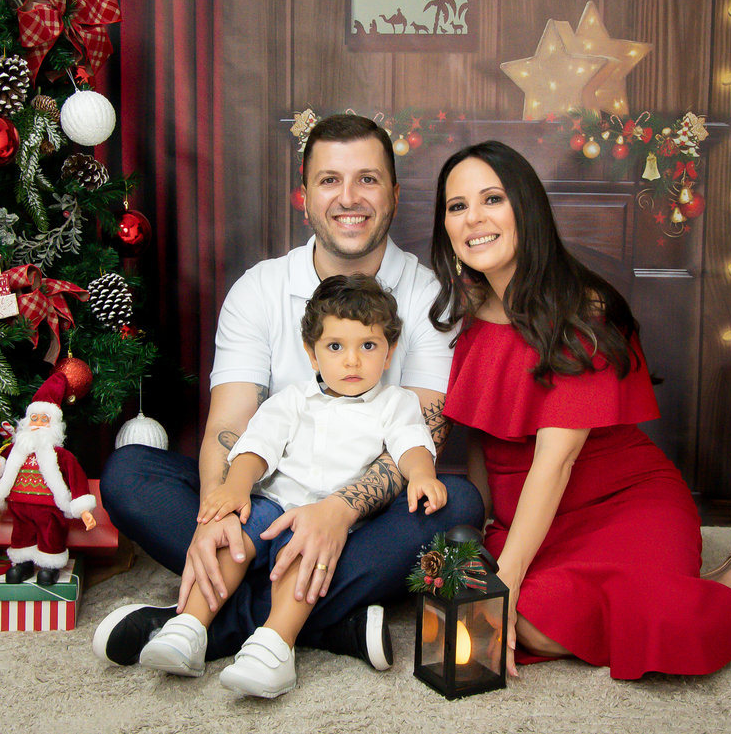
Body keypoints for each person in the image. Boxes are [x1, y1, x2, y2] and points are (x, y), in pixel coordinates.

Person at [428, 140, 731, 679]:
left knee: (603, 622)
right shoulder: (469, 312)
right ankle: (725, 580)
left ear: (526, 209)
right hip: (529, 518)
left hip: (623, 503)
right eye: (457, 206)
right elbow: (483, 438)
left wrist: (507, 577)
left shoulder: (580, 311)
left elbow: (556, 461)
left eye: (492, 199)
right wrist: (483, 530)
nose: (473, 218)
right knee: (534, 624)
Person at [95, 113, 483, 672]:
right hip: (263, 502)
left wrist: (336, 512)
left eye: (368, 179)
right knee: (130, 472)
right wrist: (219, 510)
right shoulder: (260, 289)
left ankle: (217, 624)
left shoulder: (431, 298)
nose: (349, 198)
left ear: (395, 195)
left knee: (458, 505)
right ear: (304, 198)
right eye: (330, 180)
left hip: (366, 517)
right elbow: (229, 428)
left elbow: (423, 435)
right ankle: (330, 622)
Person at [138, 274, 447, 697]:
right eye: (335, 347)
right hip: (272, 502)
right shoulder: (293, 400)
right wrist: (235, 488)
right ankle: (189, 626)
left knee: (305, 554)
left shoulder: (395, 404)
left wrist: (423, 474)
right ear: (312, 353)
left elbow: (412, 444)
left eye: (368, 346)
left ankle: (274, 645)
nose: (352, 361)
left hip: (329, 521)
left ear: (389, 351)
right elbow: (256, 446)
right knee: (232, 535)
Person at [0, 372, 97, 586]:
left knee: (51, 534)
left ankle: (50, 565)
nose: (38, 423)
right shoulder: (15, 449)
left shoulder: (61, 455)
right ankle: (23, 563)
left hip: (49, 508)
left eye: (44, 419)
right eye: (34, 418)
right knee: (22, 534)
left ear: (54, 425)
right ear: (27, 421)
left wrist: (84, 510)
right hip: (19, 506)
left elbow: (76, 478)